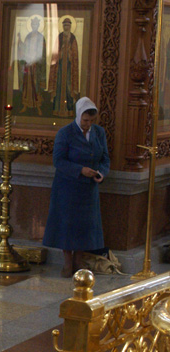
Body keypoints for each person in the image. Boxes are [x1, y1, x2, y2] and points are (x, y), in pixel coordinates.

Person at [43, 97, 110, 277]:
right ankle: (67, 263)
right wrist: (80, 170)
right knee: (67, 225)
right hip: (67, 187)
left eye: (91, 121)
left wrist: (101, 173)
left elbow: (105, 158)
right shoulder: (65, 133)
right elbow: (58, 160)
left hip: (89, 189)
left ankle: (78, 261)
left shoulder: (99, 133)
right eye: (85, 120)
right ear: (78, 116)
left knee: (84, 226)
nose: (88, 124)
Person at [49, 17, 80, 117]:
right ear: (62, 26)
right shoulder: (59, 37)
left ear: (70, 26)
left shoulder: (73, 38)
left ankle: (69, 111)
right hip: (59, 68)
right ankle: (56, 109)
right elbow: (55, 53)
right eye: (65, 25)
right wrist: (61, 52)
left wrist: (70, 53)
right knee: (58, 87)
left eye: (68, 25)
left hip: (69, 69)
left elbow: (75, 55)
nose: (66, 27)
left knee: (68, 87)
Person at [17, 16, 46, 115]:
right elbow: (24, 49)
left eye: (36, 24)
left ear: (38, 26)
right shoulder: (28, 36)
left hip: (36, 66)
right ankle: (25, 105)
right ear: (31, 25)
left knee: (36, 85)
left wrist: (36, 61)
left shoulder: (41, 38)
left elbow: (43, 53)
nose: (34, 26)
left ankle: (38, 106)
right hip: (28, 65)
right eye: (33, 24)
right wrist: (20, 41)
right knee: (27, 85)